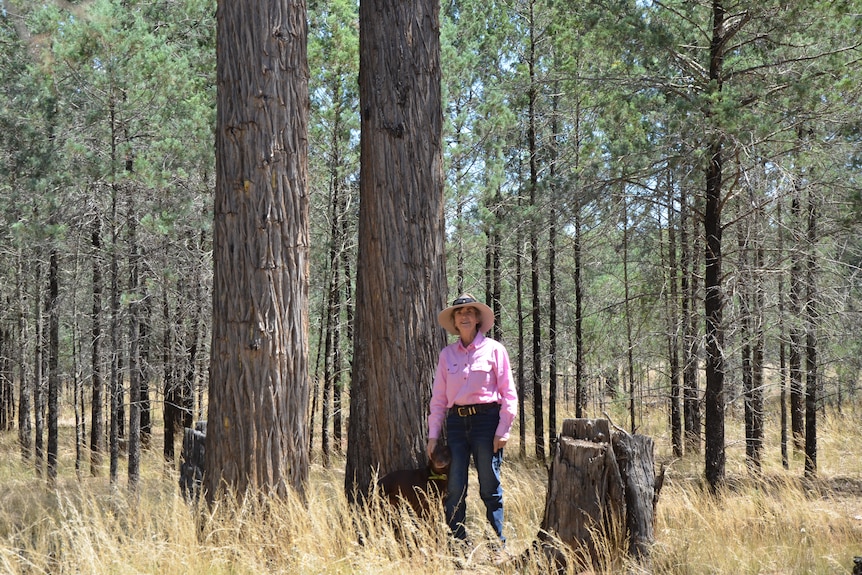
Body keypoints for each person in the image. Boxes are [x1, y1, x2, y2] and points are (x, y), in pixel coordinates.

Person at [426, 293, 517, 547]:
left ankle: (497, 544)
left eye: (469, 312)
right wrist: (433, 436)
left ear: (478, 319)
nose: (464, 316)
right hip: (456, 425)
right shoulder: (447, 355)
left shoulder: (495, 350)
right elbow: (439, 400)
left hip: (487, 423)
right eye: (459, 313)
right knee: (454, 487)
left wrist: (503, 429)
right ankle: (457, 546)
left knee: (489, 485)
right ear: (454, 321)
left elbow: (509, 393)